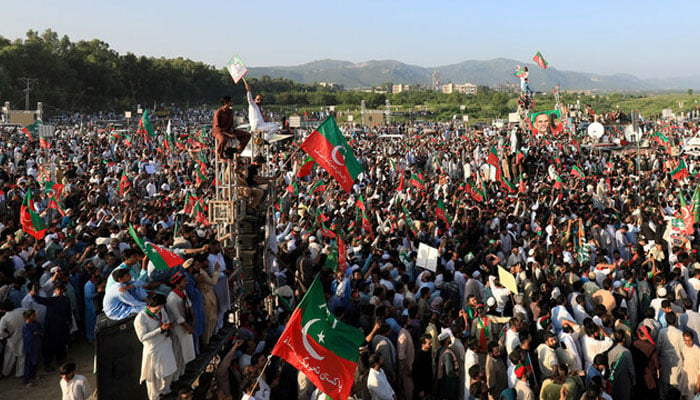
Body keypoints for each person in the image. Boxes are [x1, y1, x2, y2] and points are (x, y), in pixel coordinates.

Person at [134, 293, 178, 400]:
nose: (159, 310)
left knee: (170, 370)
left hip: (165, 344)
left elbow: (166, 319)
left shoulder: (161, 310)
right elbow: (142, 337)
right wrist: (160, 330)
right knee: (153, 378)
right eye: (157, 308)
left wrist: (168, 325)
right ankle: (154, 397)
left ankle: (166, 391)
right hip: (153, 349)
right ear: (149, 306)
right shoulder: (141, 318)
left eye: (161, 307)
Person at [30, 283, 72, 371]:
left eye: (60, 289)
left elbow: (68, 312)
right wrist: (34, 295)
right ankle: (47, 364)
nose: (59, 291)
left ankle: (60, 360)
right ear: (55, 291)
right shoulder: (52, 300)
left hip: (61, 326)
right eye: (57, 290)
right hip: (51, 327)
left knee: (61, 344)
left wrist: (70, 321)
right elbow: (40, 300)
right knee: (49, 346)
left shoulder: (66, 299)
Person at [165, 270, 196, 379]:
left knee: (186, 351)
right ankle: (177, 376)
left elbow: (189, 306)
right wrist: (189, 327)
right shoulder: (172, 298)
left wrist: (193, 321)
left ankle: (183, 371)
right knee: (179, 352)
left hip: (186, 324)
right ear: (177, 284)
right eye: (183, 281)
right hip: (178, 327)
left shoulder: (183, 293)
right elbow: (178, 317)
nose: (186, 282)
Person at [212, 95, 250, 160]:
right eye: (231, 101)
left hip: (228, 130)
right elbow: (217, 127)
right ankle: (220, 155)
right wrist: (228, 135)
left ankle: (239, 149)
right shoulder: (218, 112)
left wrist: (232, 131)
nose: (232, 102)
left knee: (247, 135)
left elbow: (231, 124)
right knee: (222, 140)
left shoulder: (230, 111)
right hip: (219, 131)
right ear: (226, 102)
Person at [607, 330, 635, 400]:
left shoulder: (610, 351)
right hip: (624, 380)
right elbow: (631, 368)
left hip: (613, 379)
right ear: (623, 339)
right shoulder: (627, 352)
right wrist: (634, 380)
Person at [0, 301, 25, 378]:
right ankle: (20, 373)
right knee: (22, 356)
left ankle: (5, 372)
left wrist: (6, 335)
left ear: (4, 309)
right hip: (23, 336)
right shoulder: (22, 310)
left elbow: (0, 332)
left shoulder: (4, 318)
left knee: (9, 357)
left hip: (12, 339)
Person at [21, 309, 42, 386]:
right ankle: (26, 380)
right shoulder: (26, 326)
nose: (35, 316)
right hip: (30, 348)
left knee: (35, 363)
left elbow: (41, 331)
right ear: (28, 317)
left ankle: (33, 376)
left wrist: (37, 333)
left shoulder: (36, 323)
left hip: (37, 346)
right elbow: (29, 336)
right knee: (29, 364)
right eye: (33, 315)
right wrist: (35, 333)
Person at [679, 330, 700, 400]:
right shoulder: (683, 348)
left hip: (694, 380)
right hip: (684, 379)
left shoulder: (698, 351)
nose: (687, 343)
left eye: (689, 340)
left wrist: (698, 384)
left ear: (693, 339)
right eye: (685, 340)